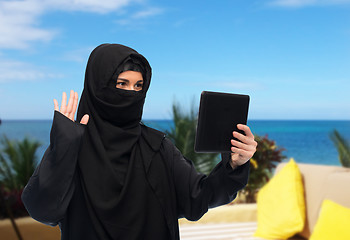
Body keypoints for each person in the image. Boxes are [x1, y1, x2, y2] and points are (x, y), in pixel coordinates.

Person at [22, 43, 257, 240]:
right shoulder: (73, 146)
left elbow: (199, 198)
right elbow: (43, 210)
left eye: (138, 86)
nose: (131, 94)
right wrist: (62, 147)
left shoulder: (156, 147)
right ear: (98, 87)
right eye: (121, 84)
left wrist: (235, 165)